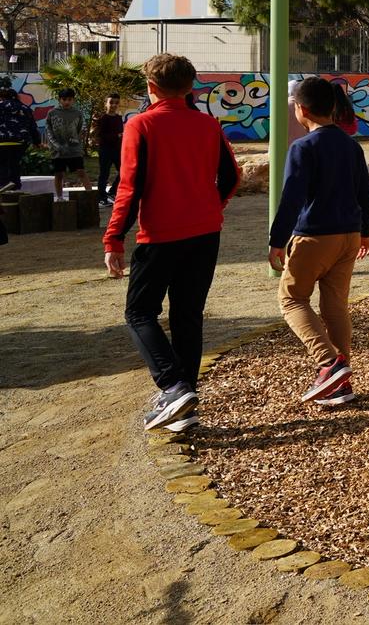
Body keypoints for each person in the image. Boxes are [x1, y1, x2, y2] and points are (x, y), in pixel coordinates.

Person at [103, 54, 239, 432]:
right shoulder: (208, 124)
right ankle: (185, 404)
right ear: (190, 87)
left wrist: (113, 237)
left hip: (160, 234)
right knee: (187, 316)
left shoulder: (140, 125)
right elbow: (231, 175)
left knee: (139, 312)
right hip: (205, 232)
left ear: (150, 87)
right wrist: (213, 204)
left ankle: (173, 386)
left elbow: (129, 186)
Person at [268, 77, 369, 407]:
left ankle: (329, 363)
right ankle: (342, 384)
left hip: (315, 235)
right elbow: (365, 193)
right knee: (334, 306)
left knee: (292, 299)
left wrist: (277, 240)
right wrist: (366, 231)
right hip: (349, 235)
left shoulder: (303, 147)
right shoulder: (350, 144)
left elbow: (292, 197)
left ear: (301, 109)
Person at [45, 88, 90, 202]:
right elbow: (49, 132)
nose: (67, 102)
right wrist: (57, 146)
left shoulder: (77, 113)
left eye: (69, 99)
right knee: (59, 174)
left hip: (74, 150)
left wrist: (76, 143)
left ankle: (90, 196)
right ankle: (60, 197)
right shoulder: (52, 113)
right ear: (60, 99)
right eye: (64, 99)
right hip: (58, 151)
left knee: (81, 171)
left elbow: (81, 130)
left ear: (73, 100)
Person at [0, 78, 37, 192]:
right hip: (20, 142)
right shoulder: (25, 108)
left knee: (2, 164)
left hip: (2, 141)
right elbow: (32, 127)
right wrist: (37, 142)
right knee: (15, 163)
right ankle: (15, 185)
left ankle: (3, 185)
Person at [95, 94, 126, 207]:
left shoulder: (118, 118)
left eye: (116, 103)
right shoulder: (103, 118)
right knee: (104, 174)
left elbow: (120, 133)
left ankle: (112, 192)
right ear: (106, 103)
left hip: (117, 150)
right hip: (105, 150)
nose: (114, 105)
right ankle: (101, 197)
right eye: (111, 102)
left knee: (124, 172)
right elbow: (101, 136)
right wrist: (116, 136)